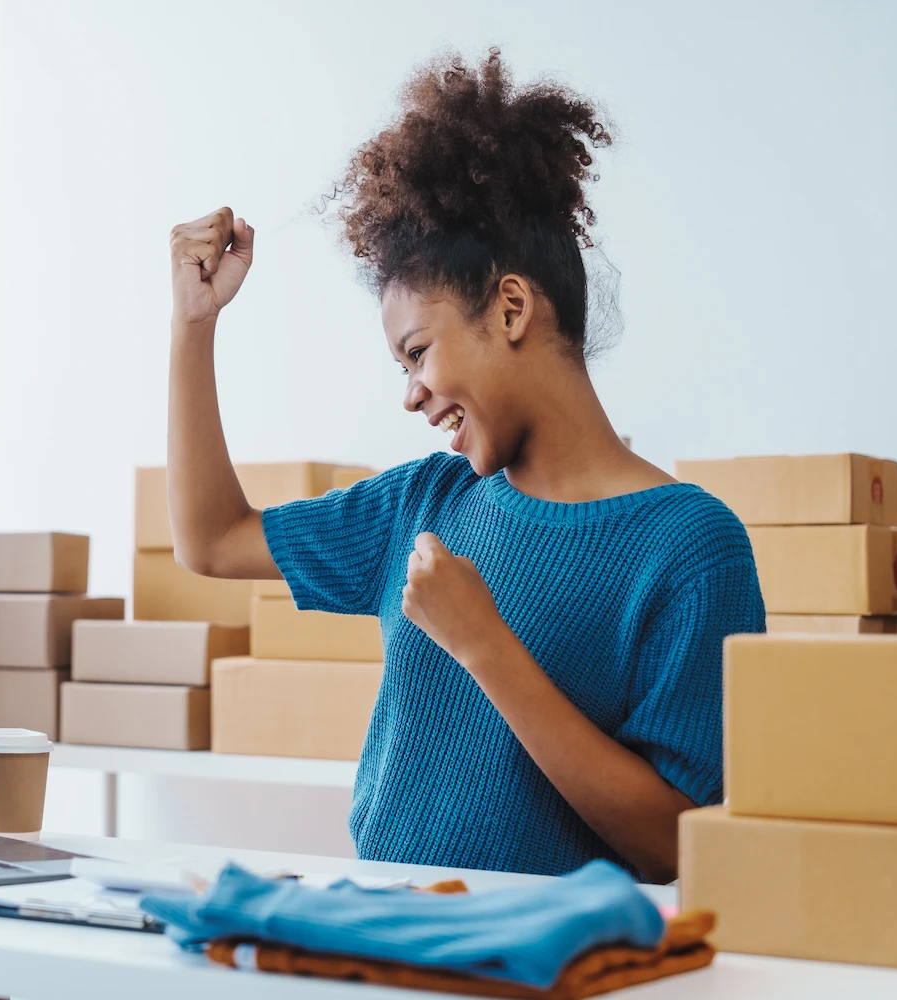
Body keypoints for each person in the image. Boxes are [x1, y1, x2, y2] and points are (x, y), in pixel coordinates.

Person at [164, 50, 764, 883]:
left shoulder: (692, 549)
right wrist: (194, 326)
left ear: (511, 309)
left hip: (531, 971)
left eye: (417, 353)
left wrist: (486, 646)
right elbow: (212, 538)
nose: (411, 396)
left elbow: (678, 843)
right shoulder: (427, 501)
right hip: (379, 945)